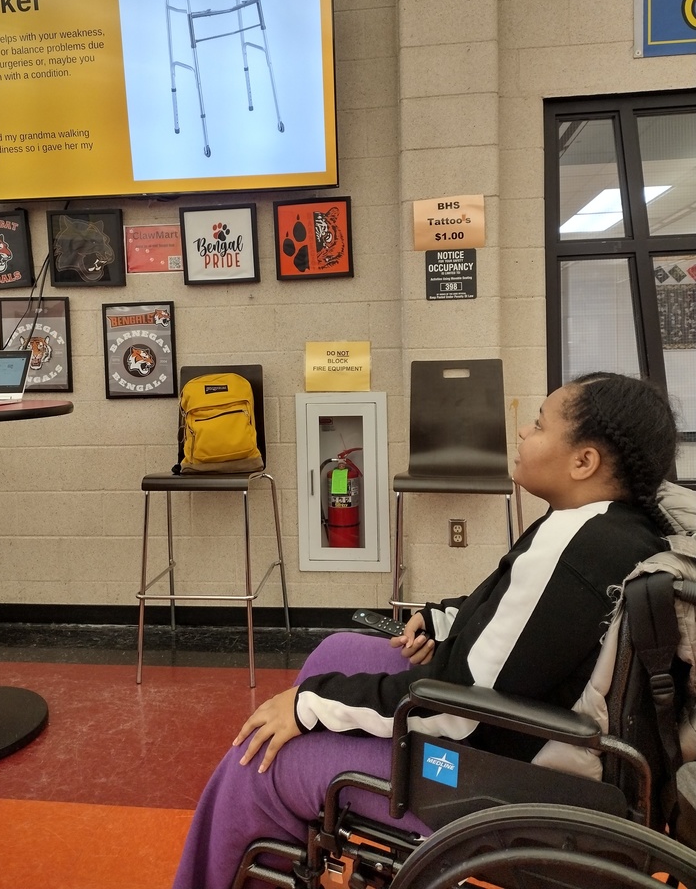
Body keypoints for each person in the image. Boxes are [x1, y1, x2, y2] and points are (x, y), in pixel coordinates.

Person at [172, 372, 678, 889]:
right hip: (520, 738)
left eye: (539, 425)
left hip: (507, 779)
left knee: (258, 760)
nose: (524, 433)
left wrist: (309, 706)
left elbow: (457, 707)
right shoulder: (613, 528)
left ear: (583, 461)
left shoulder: (577, 546)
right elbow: (528, 623)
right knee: (337, 649)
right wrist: (442, 621)